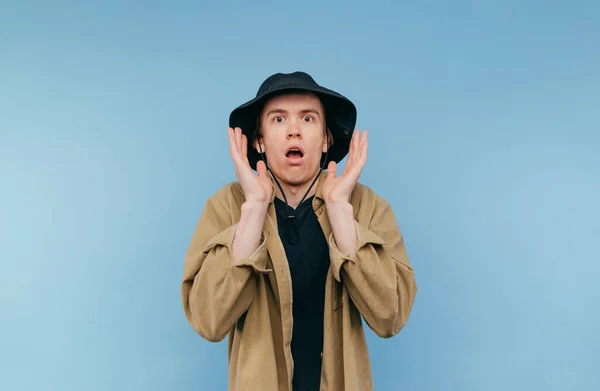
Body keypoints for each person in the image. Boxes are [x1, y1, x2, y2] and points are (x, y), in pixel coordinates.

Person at [181, 71, 417, 391]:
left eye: (307, 118)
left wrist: (339, 211)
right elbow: (209, 321)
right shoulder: (226, 205)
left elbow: (390, 317)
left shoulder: (367, 206)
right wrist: (254, 208)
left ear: (325, 139)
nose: (294, 131)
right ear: (259, 140)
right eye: (278, 120)